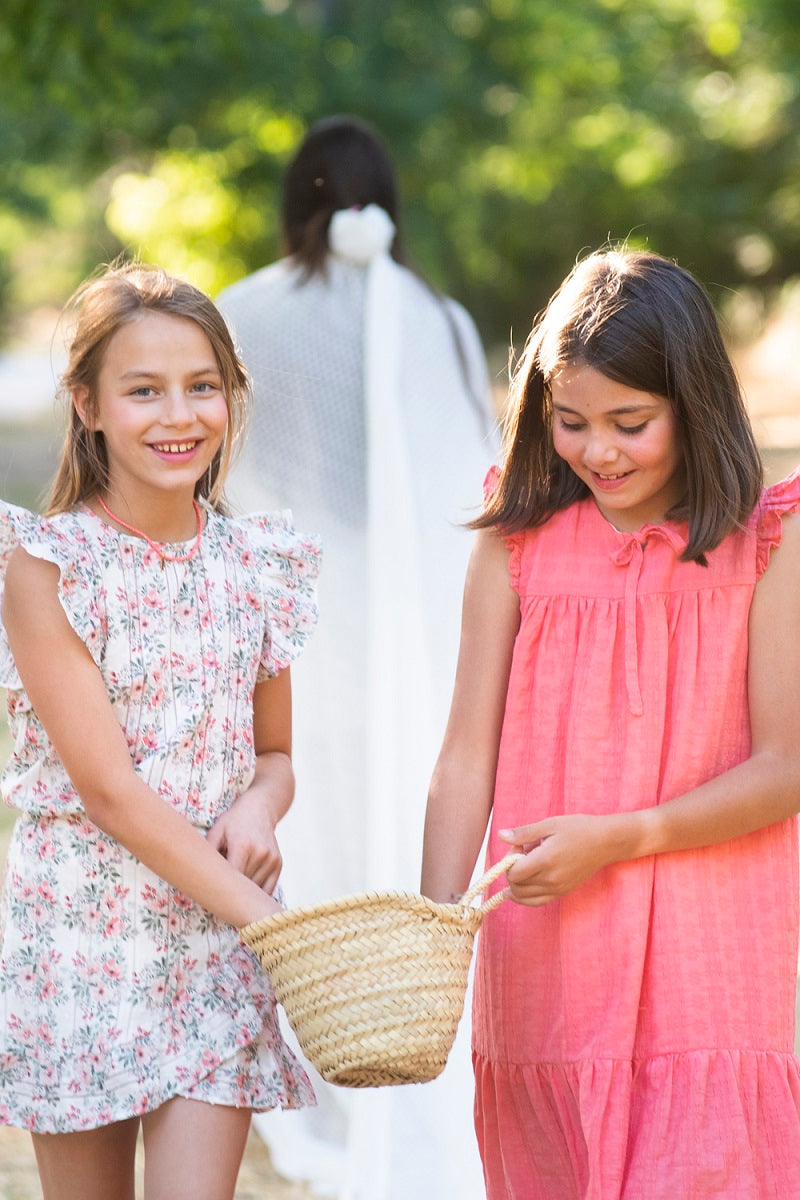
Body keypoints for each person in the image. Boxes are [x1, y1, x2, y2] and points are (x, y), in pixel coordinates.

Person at [421, 247, 800, 1199]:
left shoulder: (769, 544)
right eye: (572, 421)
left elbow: (786, 767)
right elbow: (464, 759)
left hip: (712, 956)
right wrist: (432, 930)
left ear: (695, 404)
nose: (599, 452)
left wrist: (622, 838)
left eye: (631, 423)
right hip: (550, 952)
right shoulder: (516, 546)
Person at [217, 116, 495, 1200]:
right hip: (421, 637)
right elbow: (471, 483)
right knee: (405, 844)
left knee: (313, 847)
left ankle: (327, 1082)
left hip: (297, 636)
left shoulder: (241, 313)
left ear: (296, 201)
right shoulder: (442, 321)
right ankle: (411, 1046)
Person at [0, 262, 321, 1200]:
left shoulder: (257, 565)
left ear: (230, 396)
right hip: (81, 941)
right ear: (88, 405)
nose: (178, 415)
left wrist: (259, 809)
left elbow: (275, 754)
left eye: (201, 386)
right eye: (144, 391)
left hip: (213, 944)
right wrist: (269, 920)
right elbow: (108, 791)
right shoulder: (50, 567)